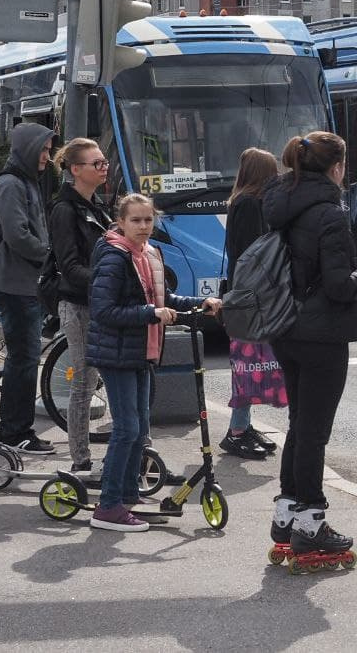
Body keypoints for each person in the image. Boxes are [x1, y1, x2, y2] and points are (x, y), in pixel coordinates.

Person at [263, 132, 357, 557]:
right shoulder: (330, 213)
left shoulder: (277, 203)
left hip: (283, 328)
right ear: (337, 167)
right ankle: (311, 522)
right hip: (322, 335)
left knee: (299, 424)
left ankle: (286, 514)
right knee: (314, 431)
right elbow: (338, 285)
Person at [86, 194, 221, 532]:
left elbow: (164, 299)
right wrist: (150, 313)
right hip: (116, 353)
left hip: (142, 351)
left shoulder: (149, 254)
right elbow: (103, 310)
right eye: (136, 220)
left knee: (140, 427)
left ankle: (129, 493)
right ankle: (108, 506)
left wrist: (199, 302)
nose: (144, 226)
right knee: (127, 429)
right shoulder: (115, 257)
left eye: (148, 220)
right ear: (120, 222)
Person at [0, 122, 57, 455]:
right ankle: (13, 433)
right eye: (43, 149)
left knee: (24, 359)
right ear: (29, 149)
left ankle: (16, 430)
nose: (48, 156)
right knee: (24, 361)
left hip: (24, 282)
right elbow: (17, 237)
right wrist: (50, 257)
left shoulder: (27, 182)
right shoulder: (11, 185)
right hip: (14, 284)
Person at [48, 138, 112, 480]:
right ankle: (81, 460)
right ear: (76, 170)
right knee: (84, 386)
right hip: (79, 306)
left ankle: (128, 454)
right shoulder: (64, 210)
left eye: (103, 162)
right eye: (96, 163)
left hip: (101, 305)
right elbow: (69, 266)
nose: (104, 167)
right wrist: (109, 282)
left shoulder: (97, 205)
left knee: (107, 379)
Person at [221, 147, 281, 460]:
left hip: (247, 297)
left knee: (250, 363)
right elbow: (250, 253)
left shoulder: (247, 201)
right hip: (248, 299)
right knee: (246, 364)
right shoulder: (248, 204)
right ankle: (236, 431)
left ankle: (241, 425)